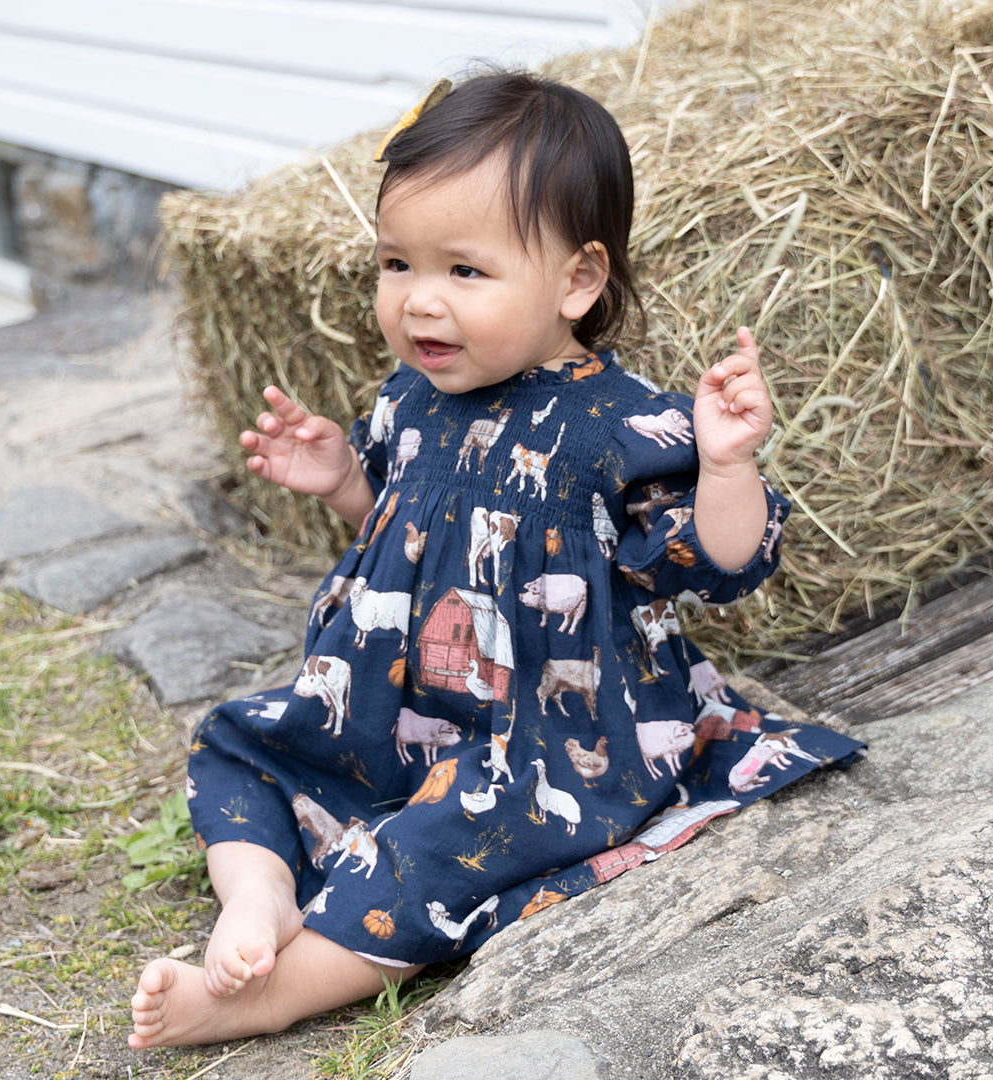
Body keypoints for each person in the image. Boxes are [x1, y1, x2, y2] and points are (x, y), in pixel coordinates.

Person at [129, 71, 865, 1049]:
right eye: (397, 263)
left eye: (464, 272)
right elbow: (405, 533)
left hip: (537, 738)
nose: (419, 301)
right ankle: (258, 895)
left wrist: (728, 467)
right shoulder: (410, 396)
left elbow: (717, 568)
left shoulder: (623, 427)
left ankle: (275, 992)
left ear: (577, 281)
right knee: (241, 744)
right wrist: (344, 479)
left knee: (440, 843)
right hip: (393, 705)